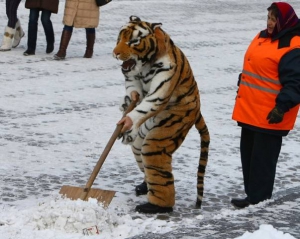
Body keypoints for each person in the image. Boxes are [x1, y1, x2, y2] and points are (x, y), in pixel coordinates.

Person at [231, 2, 300, 209]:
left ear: (284, 21)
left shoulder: (293, 46)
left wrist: (282, 107)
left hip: (271, 114)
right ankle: (253, 196)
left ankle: (258, 202)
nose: (269, 23)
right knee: (249, 157)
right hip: (251, 110)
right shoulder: (263, 37)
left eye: (274, 19)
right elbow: (259, 68)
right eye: (268, 18)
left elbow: (296, 82)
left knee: (262, 161)